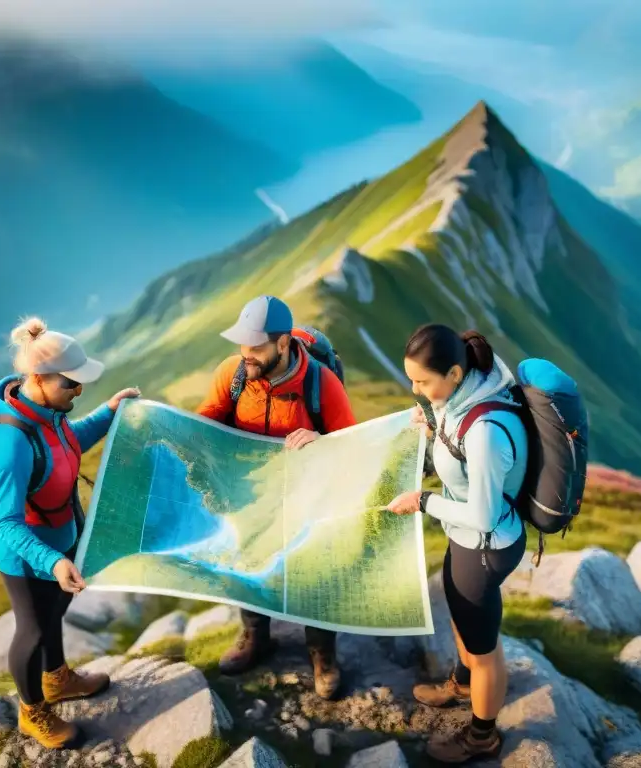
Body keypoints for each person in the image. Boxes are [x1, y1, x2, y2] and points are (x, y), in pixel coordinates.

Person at [0, 316, 140, 749]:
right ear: (39, 378)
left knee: (55, 616)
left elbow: (68, 444)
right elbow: (4, 524)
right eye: (72, 384)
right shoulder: (8, 442)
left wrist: (108, 412)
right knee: (31, 630)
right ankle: (33, 711)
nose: (77, 391)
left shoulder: (49, 412)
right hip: (28, 557)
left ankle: (58, 679)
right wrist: (52, 560)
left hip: (62, 538)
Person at [195, 295, 357, 699]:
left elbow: (353, 446)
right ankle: (256, 636)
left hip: (308, 498)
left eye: (255, 348)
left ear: (282, 343)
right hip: (250, 495)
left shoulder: (323, 386)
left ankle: (322, 654)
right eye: (241, 346)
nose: (244, 356)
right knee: (249, 558)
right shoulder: (231, 375)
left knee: (314, 570)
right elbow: (207, 418)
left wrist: (321, 441)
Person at [386, 324, 528, 763]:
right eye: (411, 379)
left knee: (484, 646)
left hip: (486, 544)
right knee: (462, 619)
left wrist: (423, 501)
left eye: (422, 381)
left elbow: (483, 513)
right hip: (465, 539)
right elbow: (457, 463)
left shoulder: (485, 428)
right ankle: (463, 684)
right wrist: (431, 429)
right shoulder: (458, 398)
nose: (416, 389)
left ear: (452, 372)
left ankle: (482, 736)